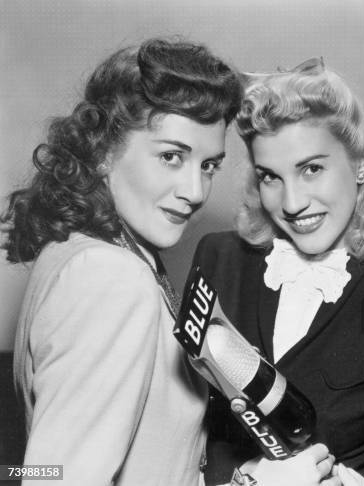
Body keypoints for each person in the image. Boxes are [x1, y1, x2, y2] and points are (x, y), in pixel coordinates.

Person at [2, 38, 334, 486]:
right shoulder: (110, 278)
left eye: (209, 165)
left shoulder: (85, 252)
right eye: (171, 156)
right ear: (102, 151)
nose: (195, 191)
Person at [192, 59, 364, 486]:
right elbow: (191, 427)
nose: (292, 203)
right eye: (270, 177)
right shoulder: (220, 259)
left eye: (312, 169)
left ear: (362, 163)